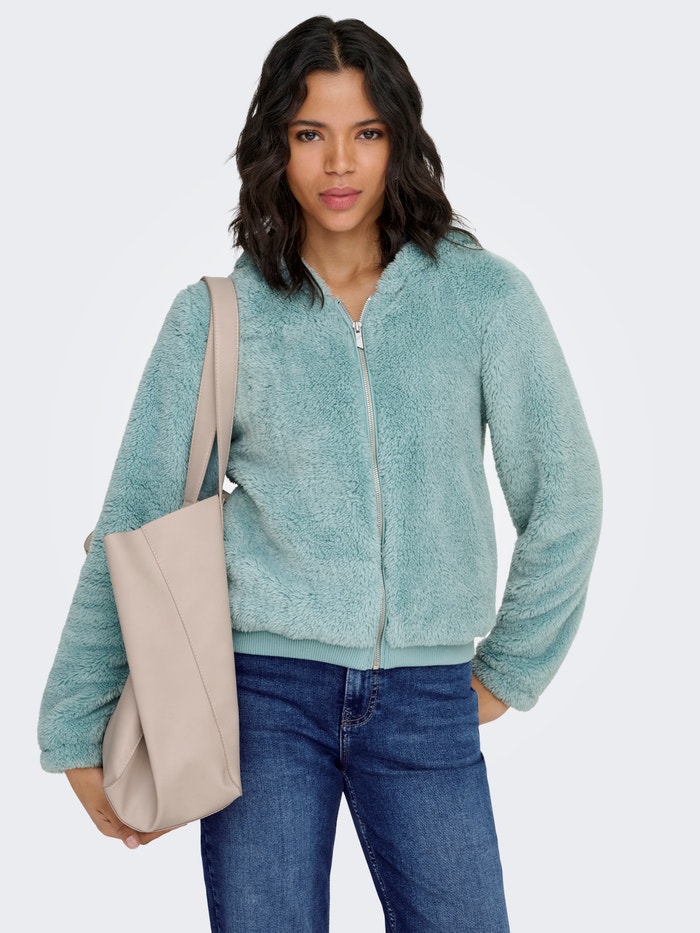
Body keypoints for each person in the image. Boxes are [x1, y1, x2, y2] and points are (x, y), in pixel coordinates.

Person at [38, 15, 603, 933]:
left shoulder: (485, 298)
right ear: (277, 145)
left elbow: (568, 493)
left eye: (366, 132)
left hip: (426, 698)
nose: (340, 163)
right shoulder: (219, 316)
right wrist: (74, 717)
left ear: (400, 141)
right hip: (261, 697)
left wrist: (510, 668)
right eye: (311, 134)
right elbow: (134, 519)